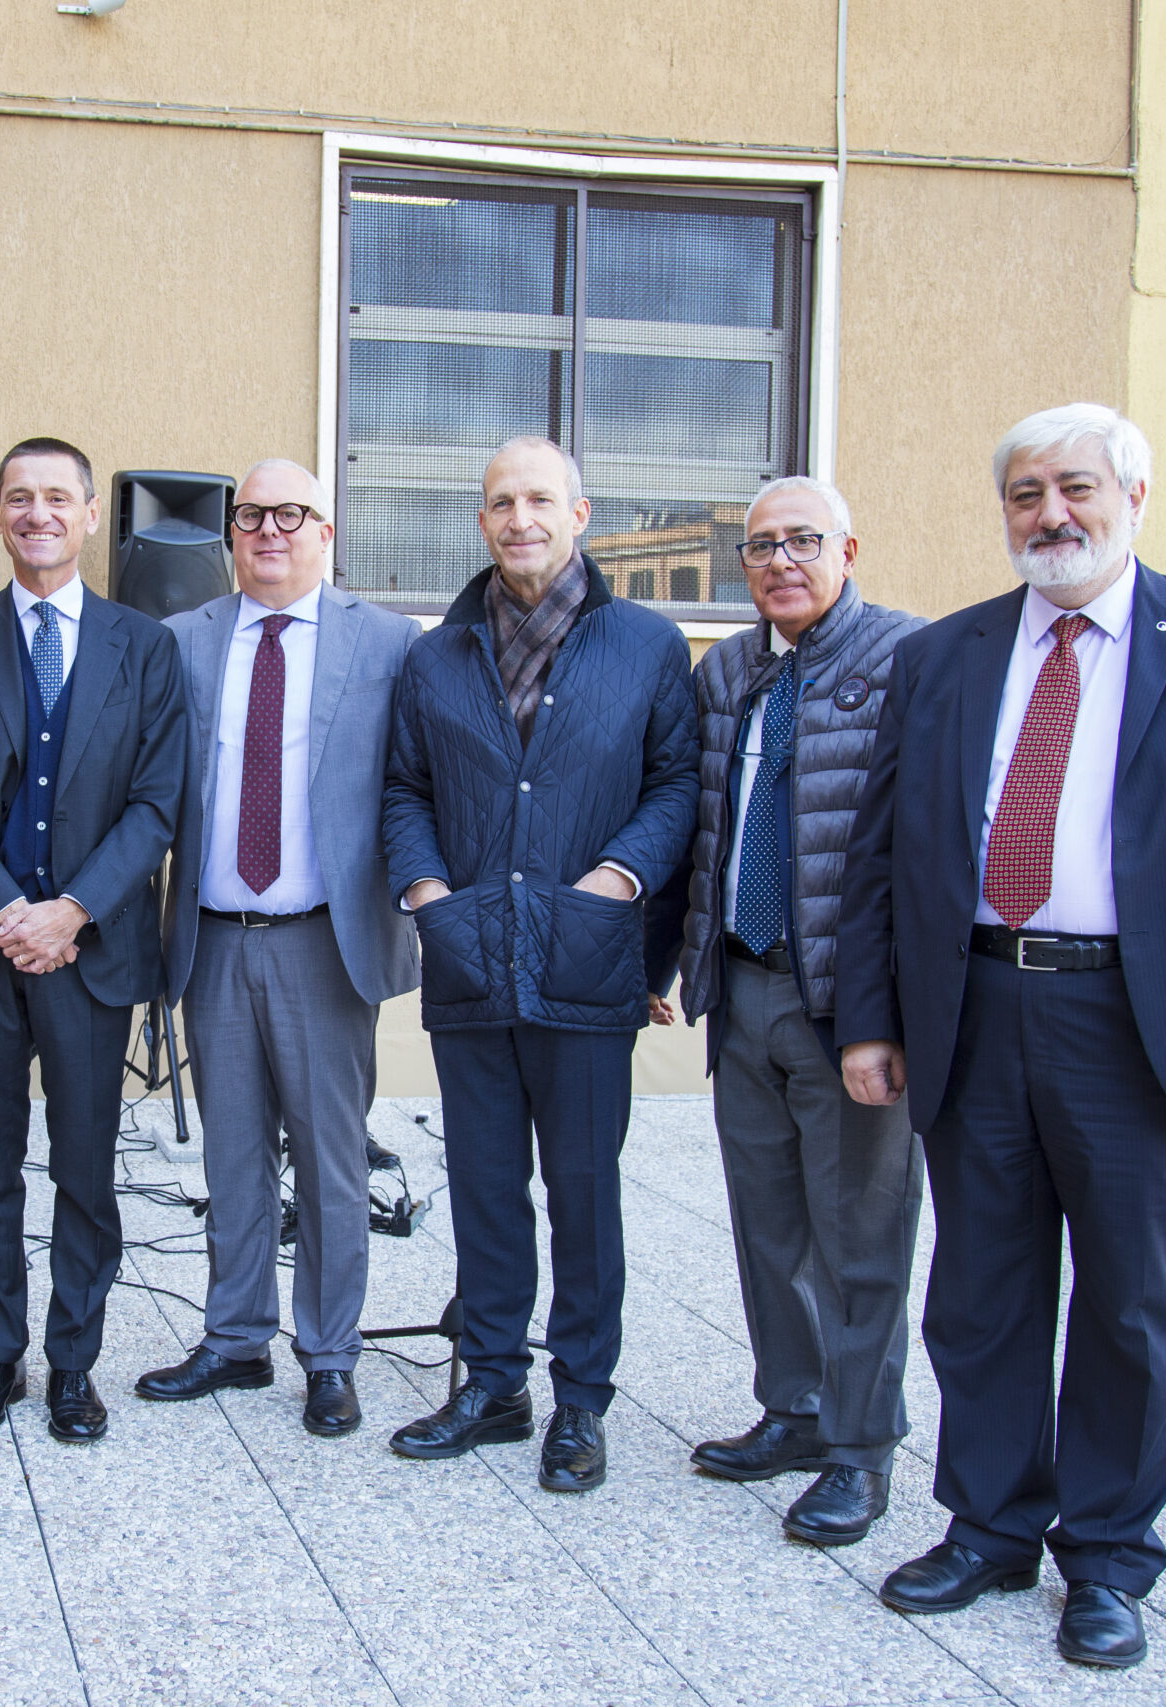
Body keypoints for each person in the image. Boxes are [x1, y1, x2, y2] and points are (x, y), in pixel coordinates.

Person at [836, 404, 1166, 1669]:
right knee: (981, 1293)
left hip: (1145, 1026)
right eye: (1023, 494)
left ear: (1131, 496)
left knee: (1131, 1307)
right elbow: (881, 856)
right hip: (980, 1007)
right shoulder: (945, 655)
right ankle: (989, 1527)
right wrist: (874, 1018)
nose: (1049, 514)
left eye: (1074, 488)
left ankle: (1109, 1557)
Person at [381, 435, 699, 1491]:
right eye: (500, 503)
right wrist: (428, 895)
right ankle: (490, 1382)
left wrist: (615, 882)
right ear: (481, 522)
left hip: (586, 959)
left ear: (580, 514)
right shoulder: (437, 654)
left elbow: (674, 787)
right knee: (481, 1185)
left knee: (581, 1192)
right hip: (470, 958)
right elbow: (403, 792)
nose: (520, 519)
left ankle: (583, 1401)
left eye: (538, 501)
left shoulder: (646, 646)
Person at [663, 476, 924, 1545]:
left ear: (849, 548)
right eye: (760, 546)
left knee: (860, 1236)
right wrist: (673, 966)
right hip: (743, 986)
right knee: (768, 1227)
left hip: (844, 1008)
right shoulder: (725, 670)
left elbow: (920, 854)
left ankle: (862, 1451)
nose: (779, 561)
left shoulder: (910, 660)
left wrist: (885, 1015)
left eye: (802, 541)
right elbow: (701, 829)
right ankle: (795, 1409)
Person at [0, 437, 186, 1443]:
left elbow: (158, 803)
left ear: (86, 517)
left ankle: (73, 1362)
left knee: (84, 1170)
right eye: (18, 498)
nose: (38, 513)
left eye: (56, 497)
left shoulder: (143, 647)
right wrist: (6, 913)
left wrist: (72, 910)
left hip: (91, 953)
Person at [138, 459, 420, 1438]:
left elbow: (416, 784)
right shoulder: (181, 641)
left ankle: (330, 1355)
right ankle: (234, 1337)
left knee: (332, 1160)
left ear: (325, 531)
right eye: (251, 515)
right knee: (232, 1153)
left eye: (290, 515)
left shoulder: (386, 643)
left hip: (322, 944)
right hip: (212, 938)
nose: (268, 530)